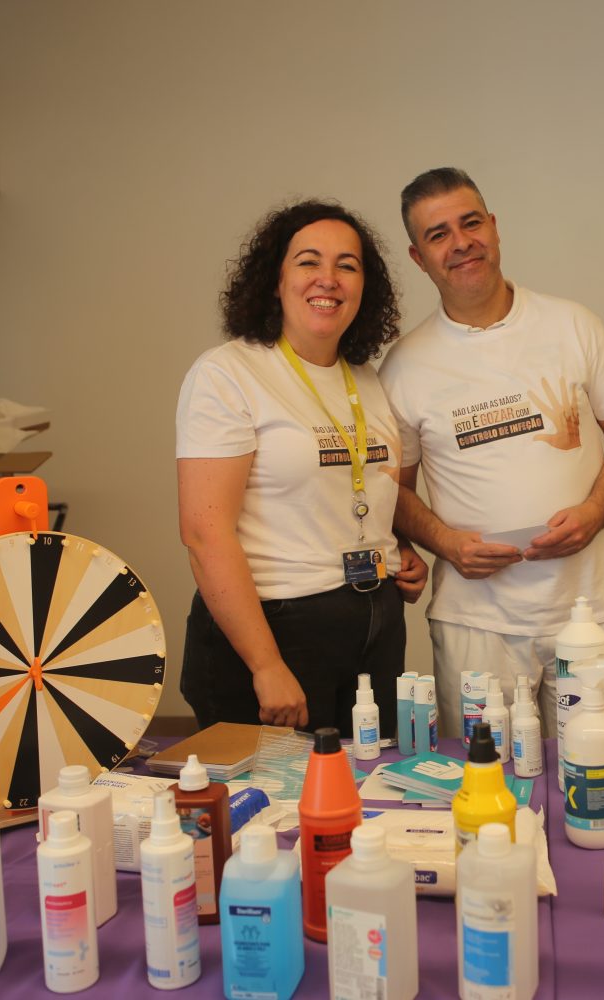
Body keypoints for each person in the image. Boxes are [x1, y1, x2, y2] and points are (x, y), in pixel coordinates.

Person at [378, 168, 604, 736]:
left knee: (599, 770)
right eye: (439, 234)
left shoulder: (573, 325)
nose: (461, 243)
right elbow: (392, 491)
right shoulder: (405, 366)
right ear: (419, 257)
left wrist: (595, 511)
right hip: (477, 625)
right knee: (488, 777)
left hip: (592, 610)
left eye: (471, 223)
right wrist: (445, 542)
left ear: (494, 227)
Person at [176, 200, 427, 735]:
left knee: (369, 782)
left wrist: (394, 550)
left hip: (375, 626)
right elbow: (204, 533)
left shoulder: (365, 378)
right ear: (275, 279)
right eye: (309, 261)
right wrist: (266, 665)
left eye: (347, 265)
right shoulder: (228, 374)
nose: (328, 279)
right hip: (275, 631)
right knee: (273, 790)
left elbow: (354, 492)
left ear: (365, 287)